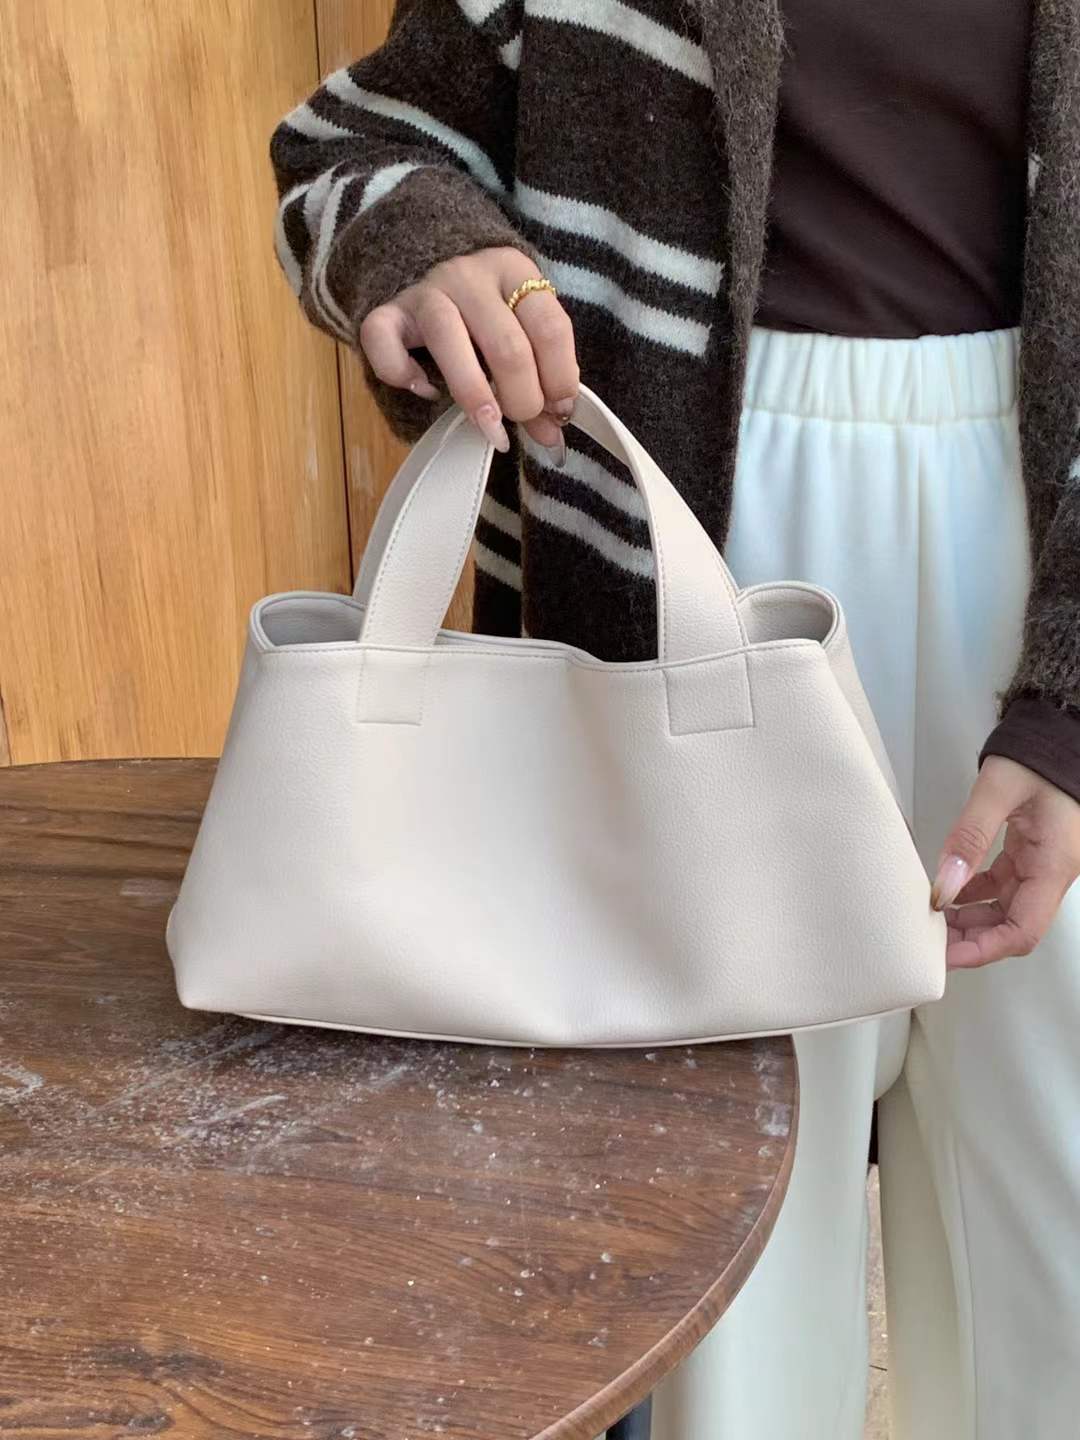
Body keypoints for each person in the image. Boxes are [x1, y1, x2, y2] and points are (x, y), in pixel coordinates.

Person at [269, 2, 1080, 1434]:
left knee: (1062, 1253)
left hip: (1048, 552)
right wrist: (428, 247)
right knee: (721, 1277)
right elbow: (359, 144)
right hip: (684, 547)